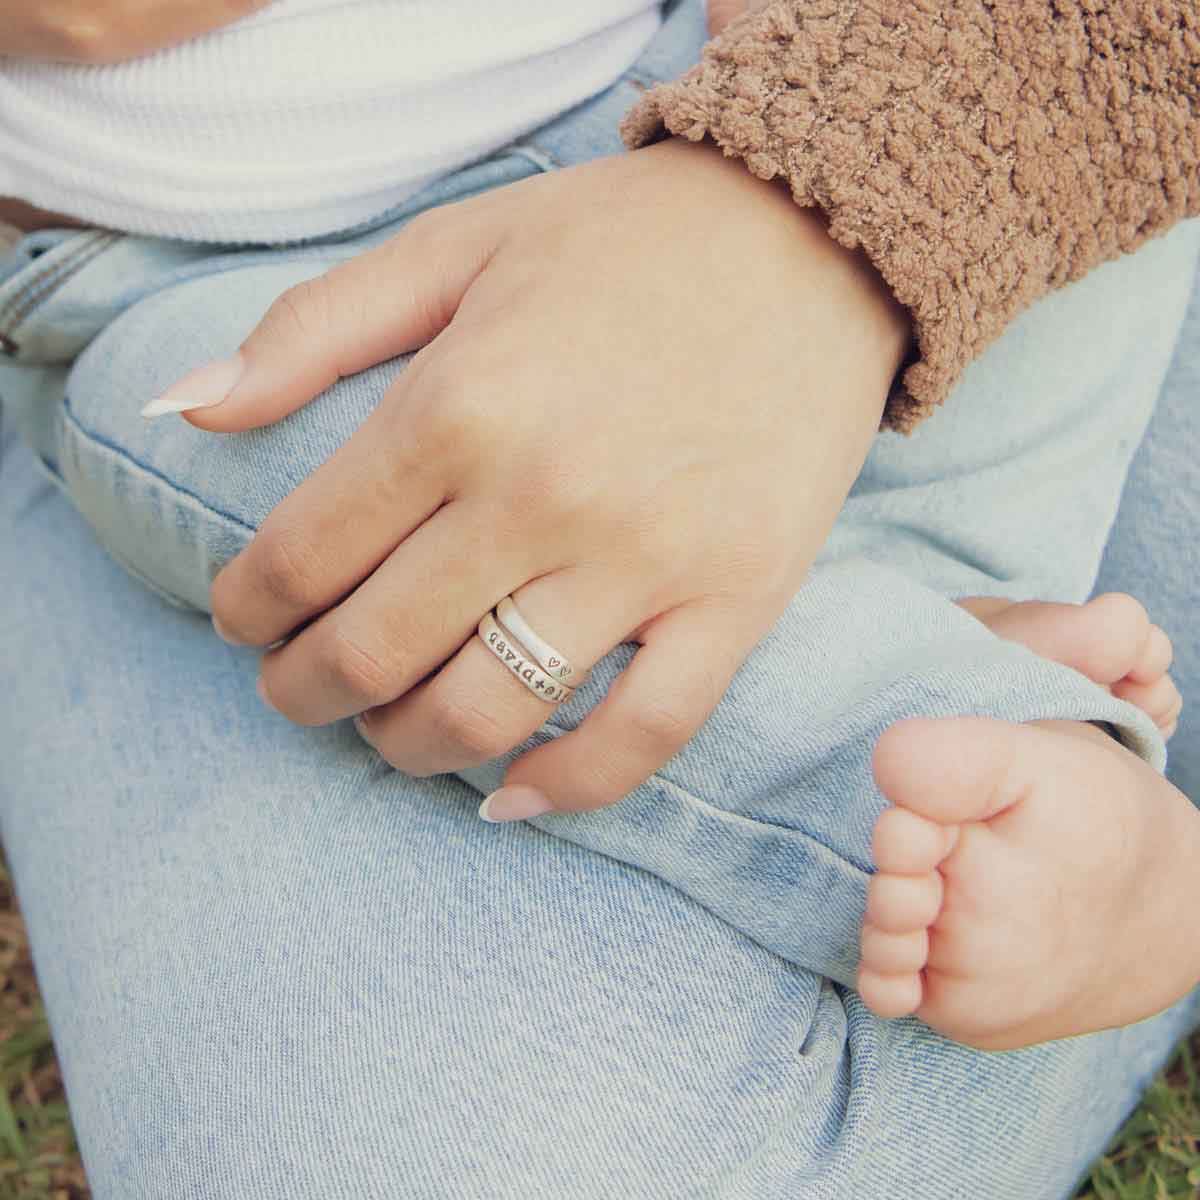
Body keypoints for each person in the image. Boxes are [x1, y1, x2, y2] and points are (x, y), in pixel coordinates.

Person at [1, 1, 1198, 1195]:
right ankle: (960, 700)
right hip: (226, 260)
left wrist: (842, 152)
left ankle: (967, 749)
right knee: (234, 429)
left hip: (806, 77)